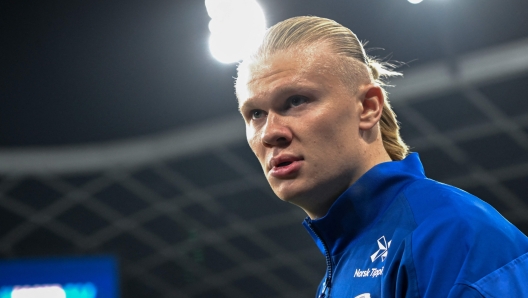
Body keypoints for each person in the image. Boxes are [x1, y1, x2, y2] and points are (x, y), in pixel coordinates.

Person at [234, 16, 528, 298]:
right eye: (256, 114)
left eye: (296, 101)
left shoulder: (452, 233)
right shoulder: (344, 265)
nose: (270, 133)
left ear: (368, 107)